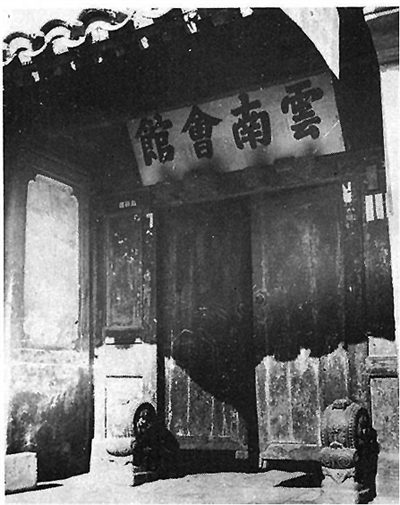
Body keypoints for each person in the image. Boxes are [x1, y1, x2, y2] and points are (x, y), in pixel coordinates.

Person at [131, 402, 180, 479]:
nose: (143, 421)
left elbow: (158, 446)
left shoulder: (156, 430)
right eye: (141, 418)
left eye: (145, 419)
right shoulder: (141, 428)